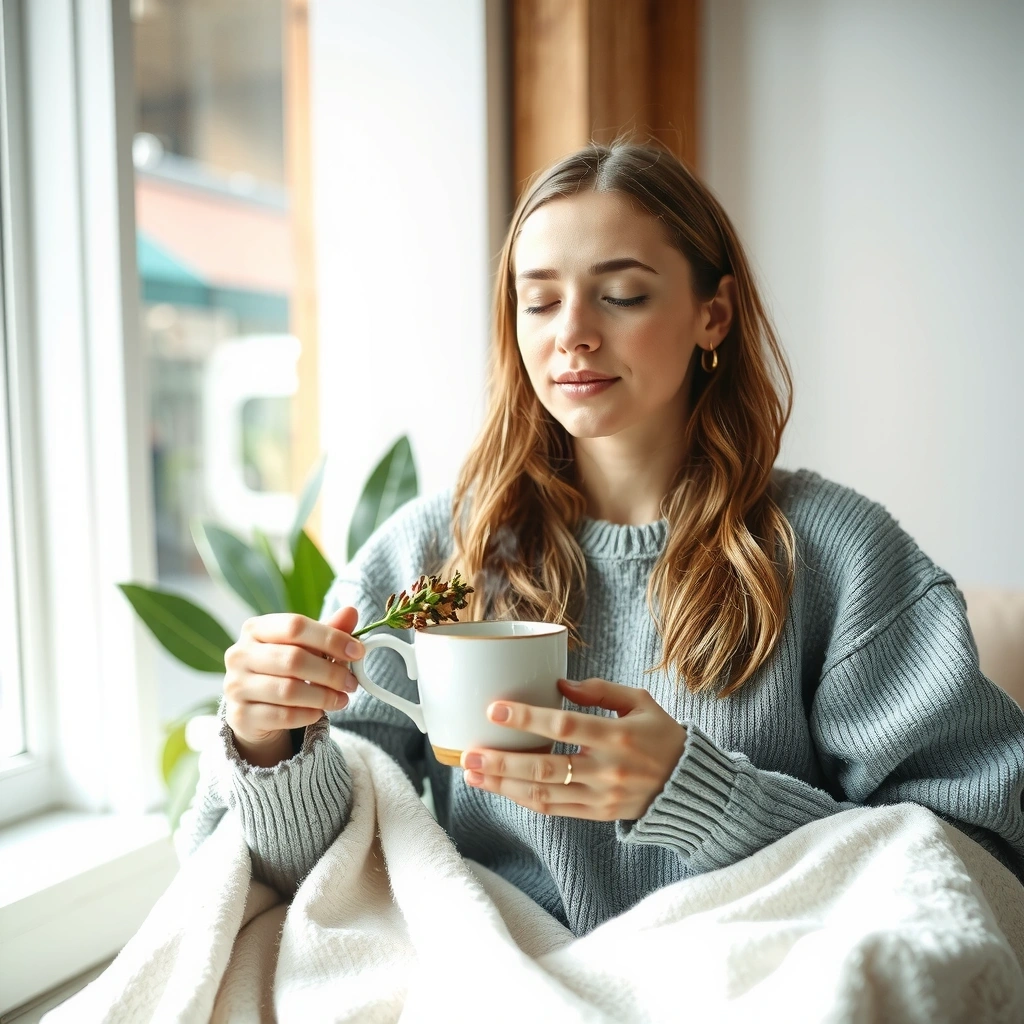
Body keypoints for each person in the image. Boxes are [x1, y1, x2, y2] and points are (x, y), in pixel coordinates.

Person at [179, 139, 1024, 936]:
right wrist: (267, 746)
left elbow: (983, 855)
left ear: (714, 315)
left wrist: (699, 795)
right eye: (540, 300)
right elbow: (305, 885)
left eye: (621, 295)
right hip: (499, 983)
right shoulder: (431, 553)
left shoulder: (842, 557)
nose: (572, 332)